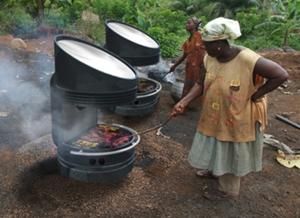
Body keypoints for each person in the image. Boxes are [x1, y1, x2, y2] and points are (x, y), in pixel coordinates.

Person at [171, 17, 289, 200]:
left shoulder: (247, 58)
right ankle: (215, 170)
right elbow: (200, 83)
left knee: (230, 148)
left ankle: (228, 191)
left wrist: (257, 95)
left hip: (238, 114)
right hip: (215, 111)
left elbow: (281, 75)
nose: (203, 47)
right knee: (214, 141)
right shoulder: (209, 58)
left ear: (219, 43)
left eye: (207, 44)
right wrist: (184, 101)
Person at [169, 17, 205, 98]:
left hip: (200, 68)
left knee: (198, 87)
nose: (186, 25)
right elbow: (184, 56)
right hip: (190, 69)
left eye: (189, 23)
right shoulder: (187, 41)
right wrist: (174, 66)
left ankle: (195, 107)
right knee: (188, 87)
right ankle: (186, 105)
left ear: (195, 25)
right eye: (186, 23)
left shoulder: (202, 36)